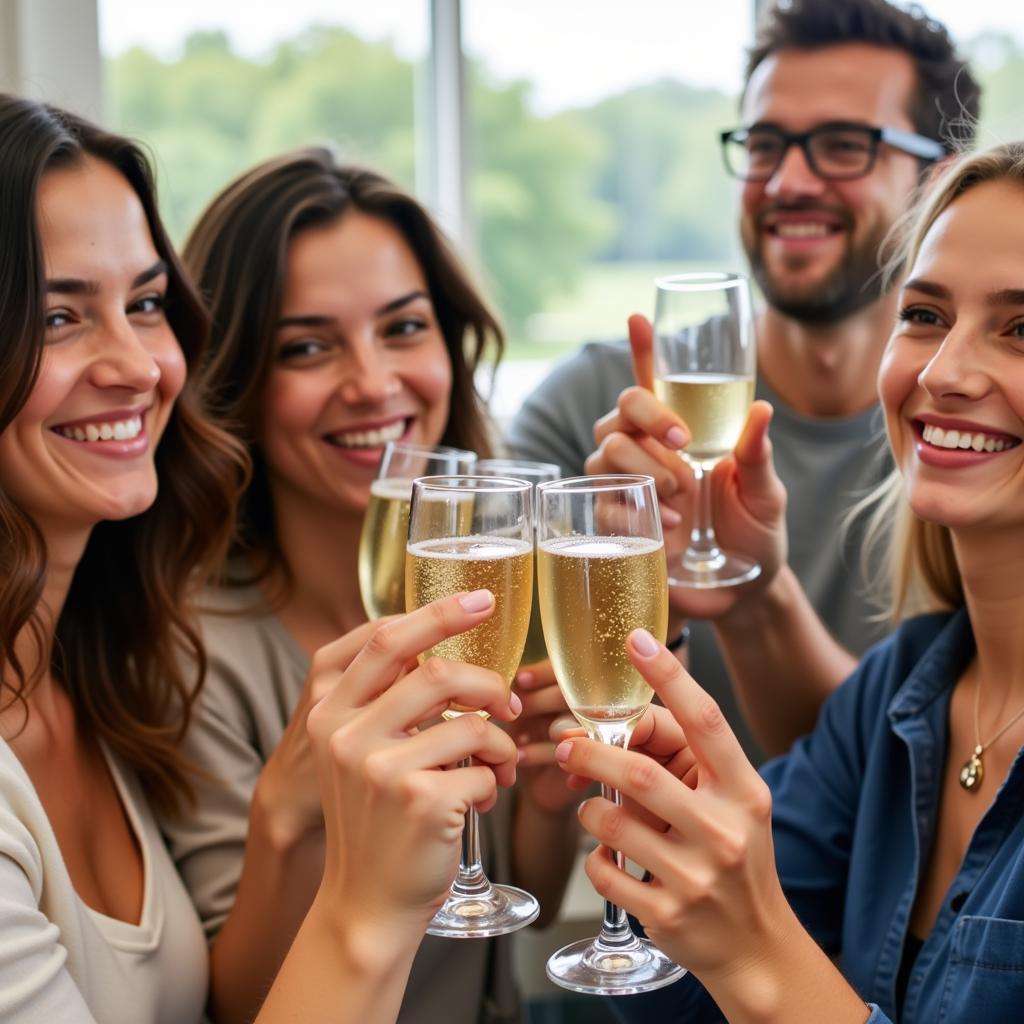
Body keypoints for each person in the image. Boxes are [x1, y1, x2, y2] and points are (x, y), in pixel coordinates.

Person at [0, 92, 526, 1024]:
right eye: (56, 318)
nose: (139, 363)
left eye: (147, 303)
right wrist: (358, 892)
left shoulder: (95, 663)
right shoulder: (184, 653)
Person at [556, 141, 1024, 1022]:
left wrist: (760, 950)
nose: (941, 372)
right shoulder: (900, 694)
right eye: (924, 314)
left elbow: (759, 967)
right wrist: (671, 829)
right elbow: (686, 1004)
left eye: (1022, 328)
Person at [161, 148, 578, 1024]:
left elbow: (523, 894)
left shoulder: (496, 589)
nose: (375, 383)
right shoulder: (193, 652)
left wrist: (547, 796)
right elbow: (238, 1005)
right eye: (307, 346)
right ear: (234, 377)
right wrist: (288, 814)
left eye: (403, 327)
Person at [506, 0, 980, 759]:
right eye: (765, 145)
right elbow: (512, 733)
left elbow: (922, 793)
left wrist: (758, 596)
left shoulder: (976, 435)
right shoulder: (593, 409)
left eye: (842, 145)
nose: (789, 180)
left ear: (940, 180)